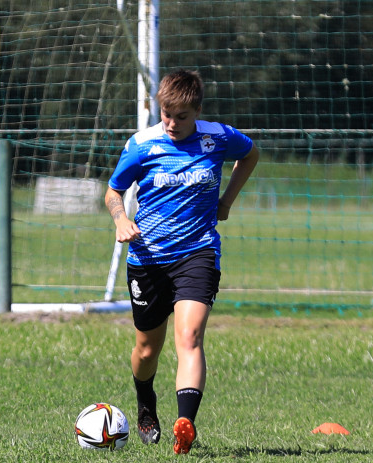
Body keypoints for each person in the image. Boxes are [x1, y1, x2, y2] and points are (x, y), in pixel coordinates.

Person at [105, 68, 259, 455]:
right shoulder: (142, 145)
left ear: (197, 110)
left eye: (182, 116)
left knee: (189, 337)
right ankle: (145, 402)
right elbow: (113, 190)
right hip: (149, 258)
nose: (172, 123)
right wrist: (121, 219)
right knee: (146, 350)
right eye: (166, 114)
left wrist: (226, 201)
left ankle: (185, 423)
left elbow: (251, 153)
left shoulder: (218, 137)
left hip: (198, 253)